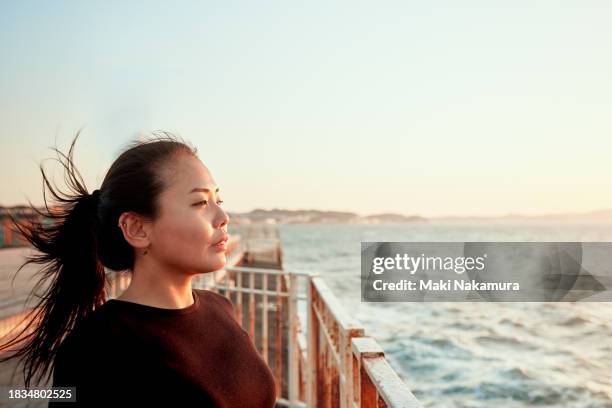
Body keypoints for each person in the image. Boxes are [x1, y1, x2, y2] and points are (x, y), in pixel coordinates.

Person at [0, 130, 277, 407]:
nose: (223, 217)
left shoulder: (221, 308)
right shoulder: (97, 347)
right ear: (137, 229)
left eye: (219, 200)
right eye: (200, 203)